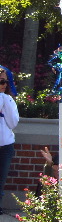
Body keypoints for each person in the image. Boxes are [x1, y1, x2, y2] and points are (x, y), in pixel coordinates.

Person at [0, 67, 18, 214]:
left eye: (5, 81)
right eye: (1, 81)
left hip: (4, 145)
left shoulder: (8, 99)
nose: (4, 85)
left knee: (1, 179)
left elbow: (13, 122)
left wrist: (5, 100)